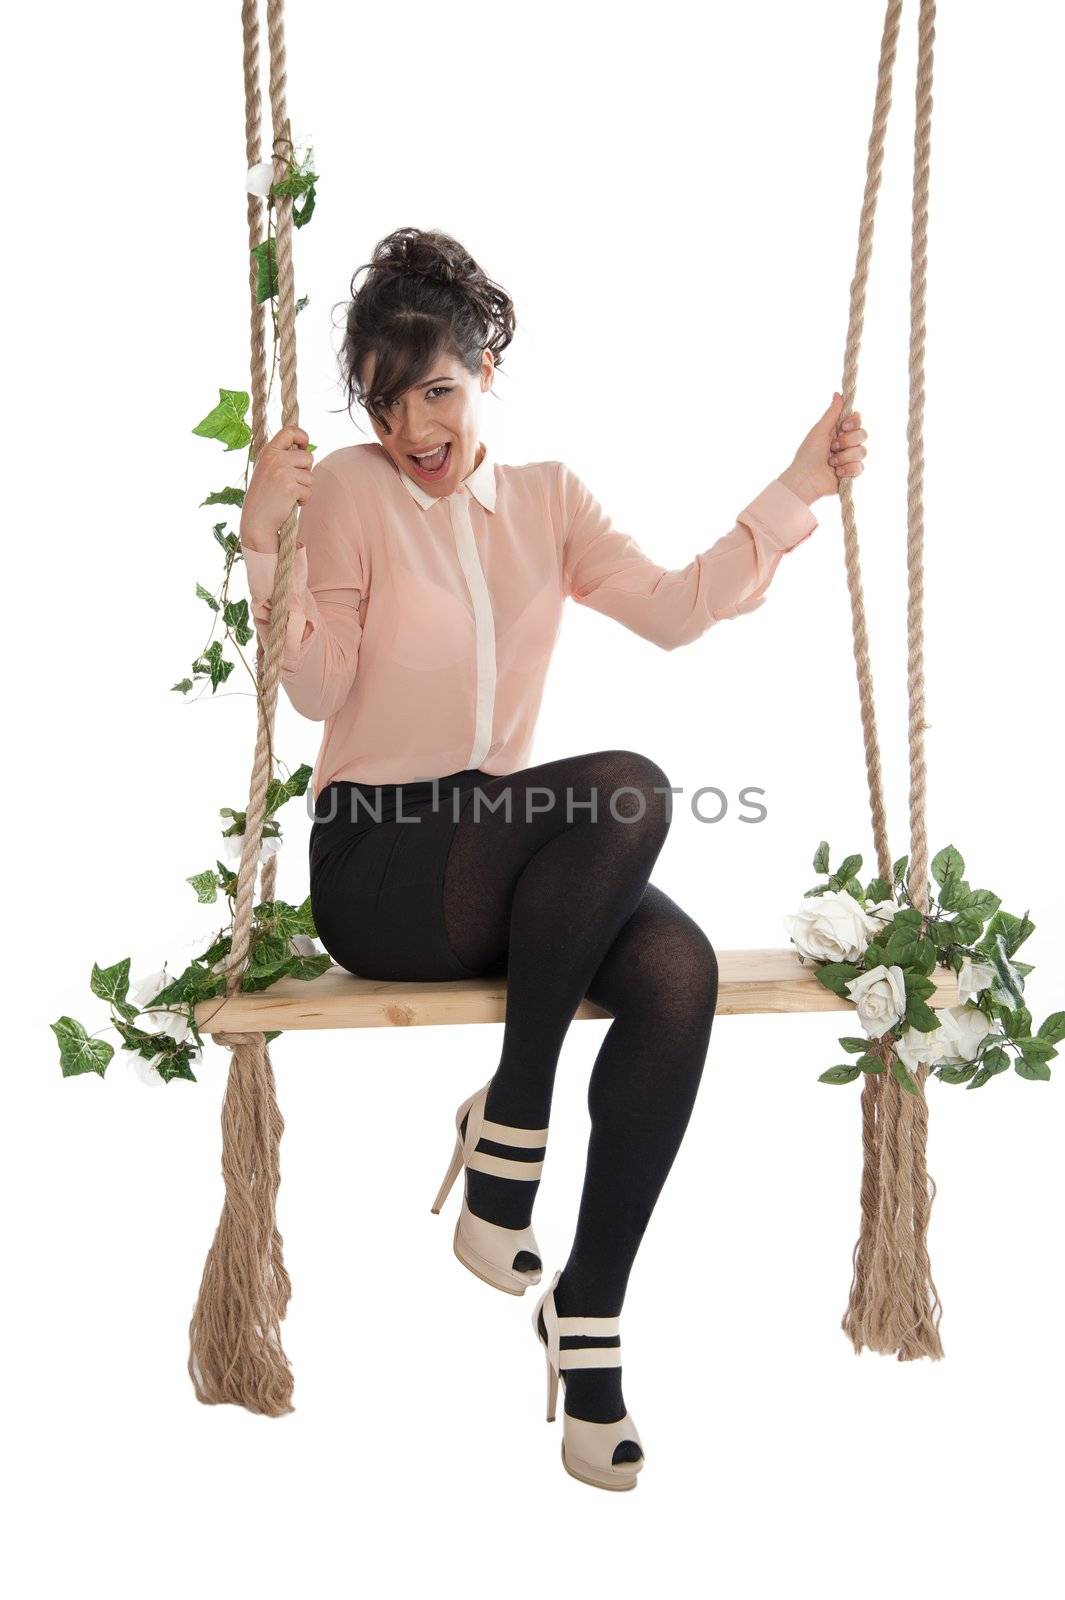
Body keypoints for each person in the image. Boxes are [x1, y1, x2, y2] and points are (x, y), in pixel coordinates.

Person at [239, 226, 867, 1491]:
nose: (414, 424)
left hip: (493, 846)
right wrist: (269, 543)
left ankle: (587, 1313)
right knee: (629, 788)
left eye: (436, 389)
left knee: (676, 967)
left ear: (481, 371)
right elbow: (314, 692)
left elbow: (683, 609)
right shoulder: (353, 491)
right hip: (379, 859)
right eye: (383, 394)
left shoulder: (548, 502)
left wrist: (796, 485)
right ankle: (515, 1131)